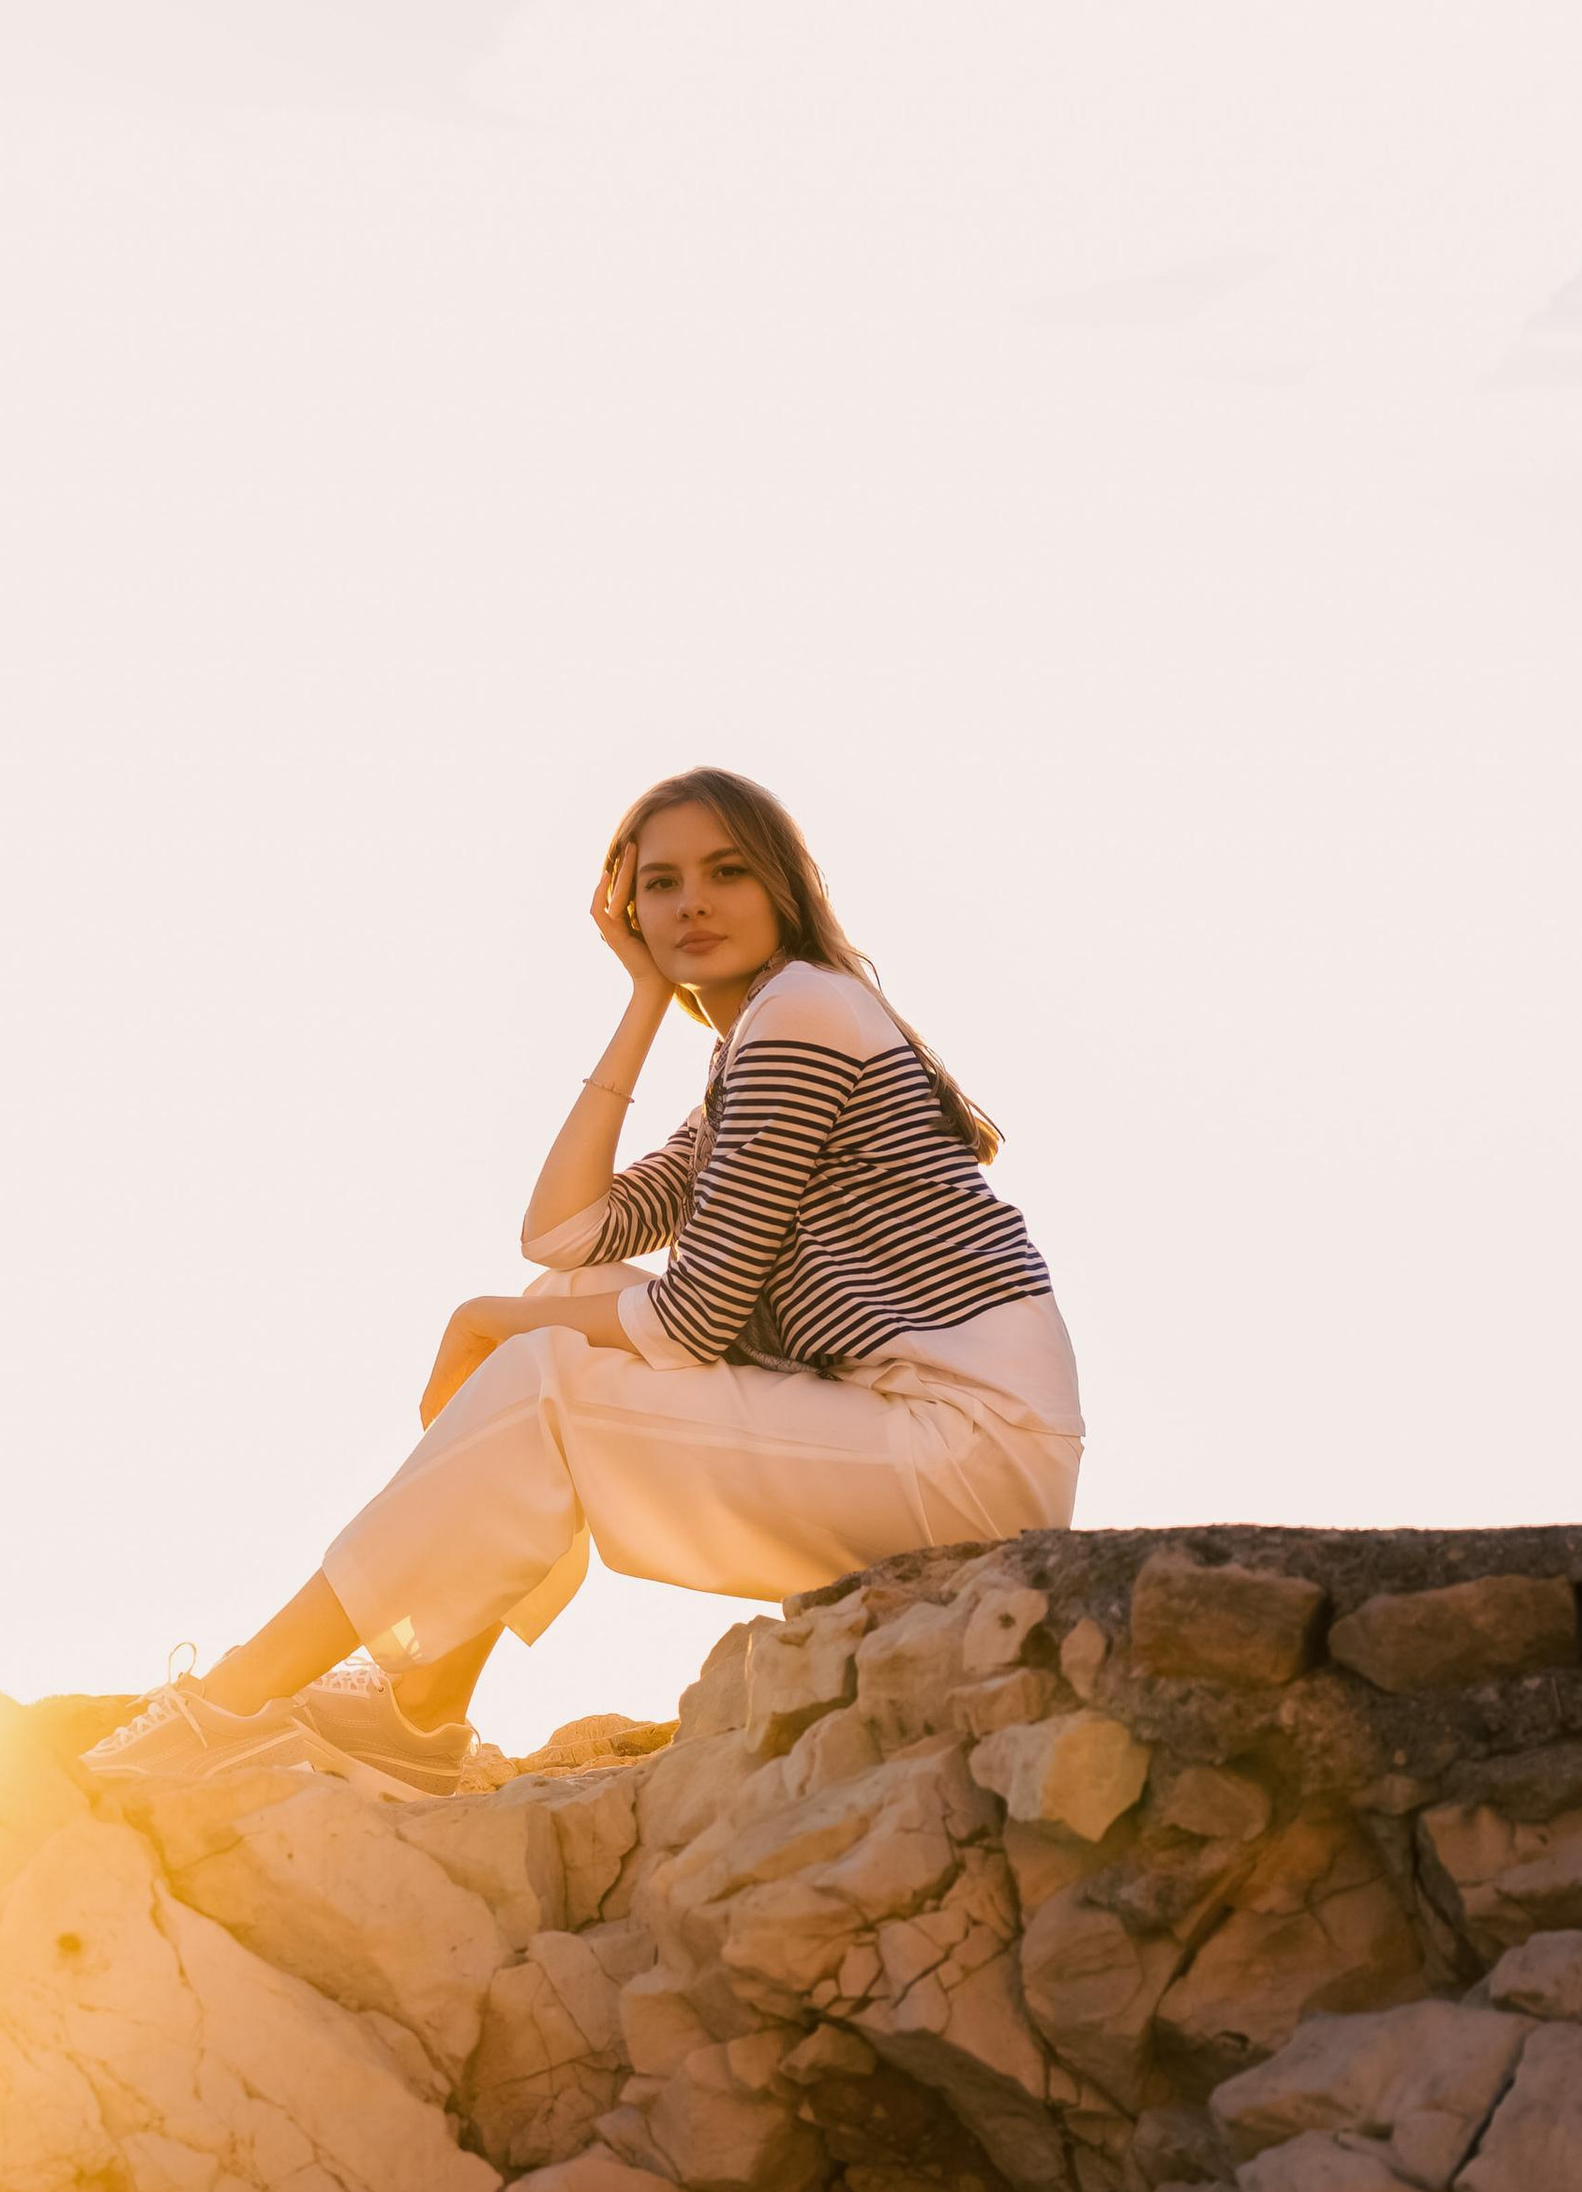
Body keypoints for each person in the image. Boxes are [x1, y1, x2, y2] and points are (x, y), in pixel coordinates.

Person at [88, 765, 1082, 1796]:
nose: (691, 901)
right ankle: (424, 1706)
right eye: (660, 884)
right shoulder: (753, 1045)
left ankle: (234, 1700)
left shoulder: (804, 1020)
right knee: (565, 1310)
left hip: (962, 1450)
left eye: (727, 871)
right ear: (627, 906)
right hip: (914, 1438)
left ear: (783, 887)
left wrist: (484, 1322)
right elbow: (564, 1234)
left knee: (544, 1368)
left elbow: (694, 1319)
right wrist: (646, 999)